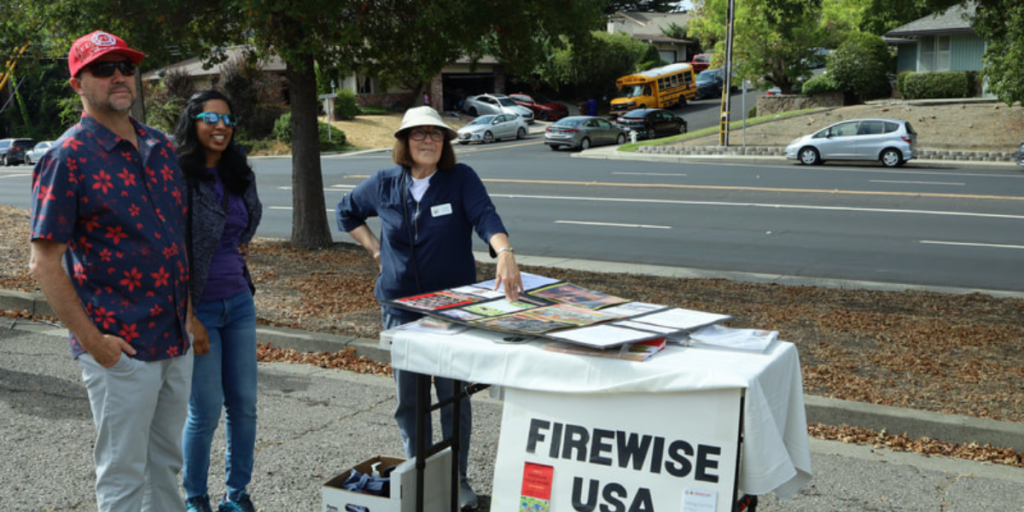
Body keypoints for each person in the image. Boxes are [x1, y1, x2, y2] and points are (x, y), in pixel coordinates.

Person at [28, 30, 194, 512]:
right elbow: (45, 262)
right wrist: (95, 343)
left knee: (166, 465)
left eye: (126, 67)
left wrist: (186, 316)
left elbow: (173, 240)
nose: (119, 76)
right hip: (120, 347)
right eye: (103, 69)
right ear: (77, 83)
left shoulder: (160, 146)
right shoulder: (66, 157)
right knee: (123, 476)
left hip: (174, 338)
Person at [335, 106, 522, 510]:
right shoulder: (384, 183)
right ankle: (419, 472)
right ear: (404, 142)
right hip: (399, 308)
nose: (427, 141)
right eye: (418, 134)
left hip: (451, 310)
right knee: (410, 400)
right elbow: (345, 211)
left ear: (445, 143)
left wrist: (504, 251)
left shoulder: (460, 179)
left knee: (453, 396)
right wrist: (375, 250)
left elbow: (485, 216)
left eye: (435, 134)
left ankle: (456, 478)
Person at [173, 91, 263, 512]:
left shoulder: (238, 168)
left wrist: (239, 247)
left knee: (244, 405)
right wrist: (189, 316)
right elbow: (172, 248)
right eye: (210, 118)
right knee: (205, 409)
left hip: (239, 302)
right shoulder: (178, 174)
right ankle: (195, 497)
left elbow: (250, 218)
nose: (221, 126)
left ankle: (236, 493)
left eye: (228, 119)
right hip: (200, 308)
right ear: (192, 121)